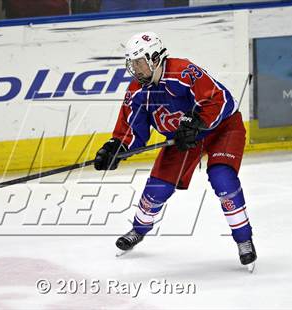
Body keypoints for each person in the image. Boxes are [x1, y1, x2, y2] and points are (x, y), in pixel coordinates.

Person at [94, 32, 257, 267]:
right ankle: (138, 230)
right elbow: (131, 130)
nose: (136, 69)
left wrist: (198, 122)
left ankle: (244, 240)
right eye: (132, 63)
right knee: (157, 189)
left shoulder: (183, 72)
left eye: (140, 62)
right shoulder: (137, 92)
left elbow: (221, 100)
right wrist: (115, 148)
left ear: (155, 58)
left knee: (223, 178)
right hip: (182, 140)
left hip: (222, 128)